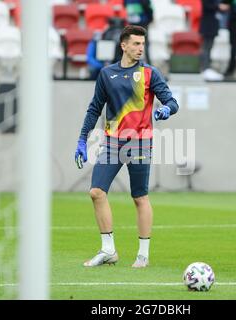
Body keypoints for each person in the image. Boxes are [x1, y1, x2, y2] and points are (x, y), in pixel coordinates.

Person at [75, 25, 179, 268]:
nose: (140, 48)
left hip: (140, 142)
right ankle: (108, 250)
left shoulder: (150, 73)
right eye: (135, 44)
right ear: (124, 45)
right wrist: (82, 139)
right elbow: (94, 108)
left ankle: (143, 254)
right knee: (96, 192)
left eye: (143, 44)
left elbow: (172, 101)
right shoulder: (106, 74)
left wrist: (166, 109)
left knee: (139, 197)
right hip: (112, 141)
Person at [200, 0, 225, 81]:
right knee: (206, 48)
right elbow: (208, 5)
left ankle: (207, 68)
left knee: (209, 48)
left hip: (213, 25)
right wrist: (219, 7)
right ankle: (205, 69)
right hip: (208, 25)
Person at [123, 0, 153, 64]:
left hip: (142, 25)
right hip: (131, 25)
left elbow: (150, 11)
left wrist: (146, 21)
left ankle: (147, 65)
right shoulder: (126, 1)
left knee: (143, 46)